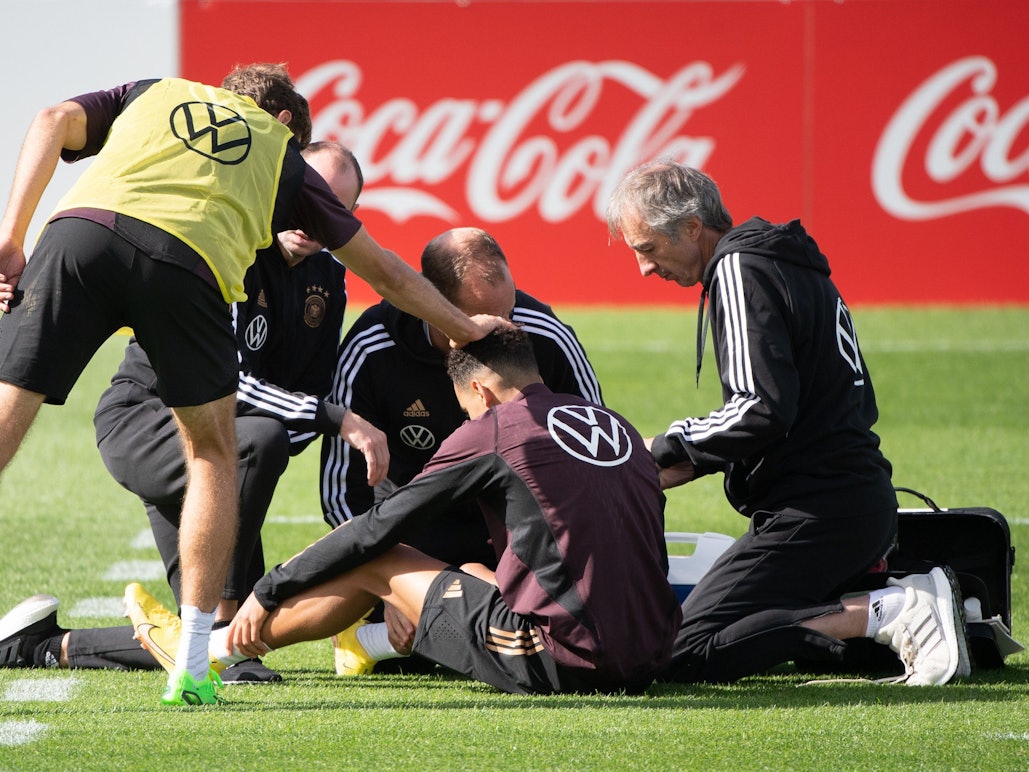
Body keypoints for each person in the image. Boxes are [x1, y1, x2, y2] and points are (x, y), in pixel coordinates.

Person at [0, 64, 504, 706]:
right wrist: (464, 330)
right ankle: (199, 657)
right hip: (158, 384)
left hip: (83, 237)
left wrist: (11, 236)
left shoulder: (156, 93)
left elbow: (50, 119)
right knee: (230, 454)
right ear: (286, 126)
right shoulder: (265, 178)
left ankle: (65, 645)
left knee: (9, 414)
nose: (309, 216)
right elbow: (384, 273)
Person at [0, 141, 382, 683]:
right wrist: (330, 418)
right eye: (307, 198)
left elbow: (308, 389)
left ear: (351, 216)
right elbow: (228, 385)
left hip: (225, 445)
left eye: (332, 209)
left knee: (228, 644)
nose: (311, 219)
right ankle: (222, 623)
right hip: (147, 421)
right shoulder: (233, 247)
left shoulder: (329, 276)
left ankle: (41, 646)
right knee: (261, 449)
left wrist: (301, 423)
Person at [128, 327, 682, 697]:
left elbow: (379, 527)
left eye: (466, 407)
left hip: (566, 657)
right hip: (653, 651)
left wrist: (269, 589)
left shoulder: (493, 429)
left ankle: (208, 649)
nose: (466, 419)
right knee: (472, 572)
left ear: (482, 391)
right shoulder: (615, 425)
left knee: (381, 558)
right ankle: (364, 643)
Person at [604, 159, 970, 686]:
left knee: (681, 652)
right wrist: (692, 461)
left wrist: (661, 448)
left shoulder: (738, 268)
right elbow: (786, 407)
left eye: (647, 248)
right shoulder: (777, 261)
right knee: (780, 641)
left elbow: (760, 408)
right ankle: (917, 614)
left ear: (692, 227)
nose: (644, 268)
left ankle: (891, 609)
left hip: (819, 510)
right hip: (850, 502)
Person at [320, 226, 603, 674]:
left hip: (514, 534)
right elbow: (342, 489)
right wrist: (384, 580)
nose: (498, 332)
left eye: (507, 313)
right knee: (417, 655)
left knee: (569, 644)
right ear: (428, 301)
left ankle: (405, 630)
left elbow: (597, 457)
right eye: (476, 321)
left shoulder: (542, 334)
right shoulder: (372, 347)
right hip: (410, 541)